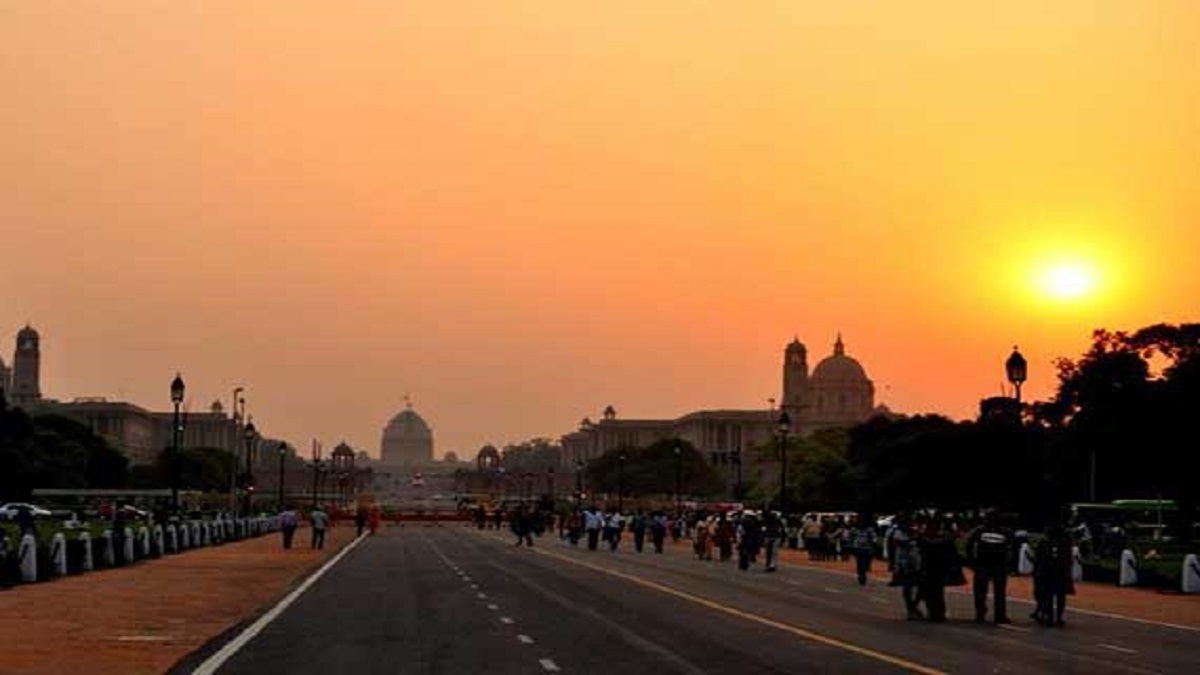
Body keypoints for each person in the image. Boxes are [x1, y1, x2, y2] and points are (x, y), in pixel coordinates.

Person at [966, 511, 1014, 624]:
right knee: (984, 592)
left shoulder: (1004, 532)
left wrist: (1009, 565)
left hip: (995, 565)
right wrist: (972, 562)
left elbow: (1013, 549)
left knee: (994, 592)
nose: (992, 520)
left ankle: (995, 615)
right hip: (986, 565)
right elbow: (969, 546)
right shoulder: (980, 530)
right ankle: (986, 614)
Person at [917, 518, 962, 622]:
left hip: (935, 569)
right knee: (933, 592)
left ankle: (936, 612)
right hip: (930, 568)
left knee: (934, 592)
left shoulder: (926, 538)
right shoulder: (926, 538)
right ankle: (936, 612)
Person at [1033, 523, 1075, 626]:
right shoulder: (1065, 543)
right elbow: (1068, 559)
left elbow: (1038, 558)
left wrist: (1037, 571)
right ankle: (1057, 617)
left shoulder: (1045, 542)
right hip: (1059, 572)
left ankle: (1050, 616)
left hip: (1048, 571)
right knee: (1059, 596)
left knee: (1049, 595)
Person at [888, 513, 922, 620]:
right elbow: (899, 544)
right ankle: (910, 609)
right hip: (904, 564)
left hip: (916, 563)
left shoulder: (915, 531)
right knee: (908, 587)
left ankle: (913, 607)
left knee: (919, 588)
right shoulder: (897, 533)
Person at [849, 513, 877, 585]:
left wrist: (873, 545)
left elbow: (874, 538)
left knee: (864, 562)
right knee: (860, 561)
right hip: (858, 547)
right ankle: (861, 574)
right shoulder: (854, 529)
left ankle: (862, 572)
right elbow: (850, 537)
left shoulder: (869, 529)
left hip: (866, 547)